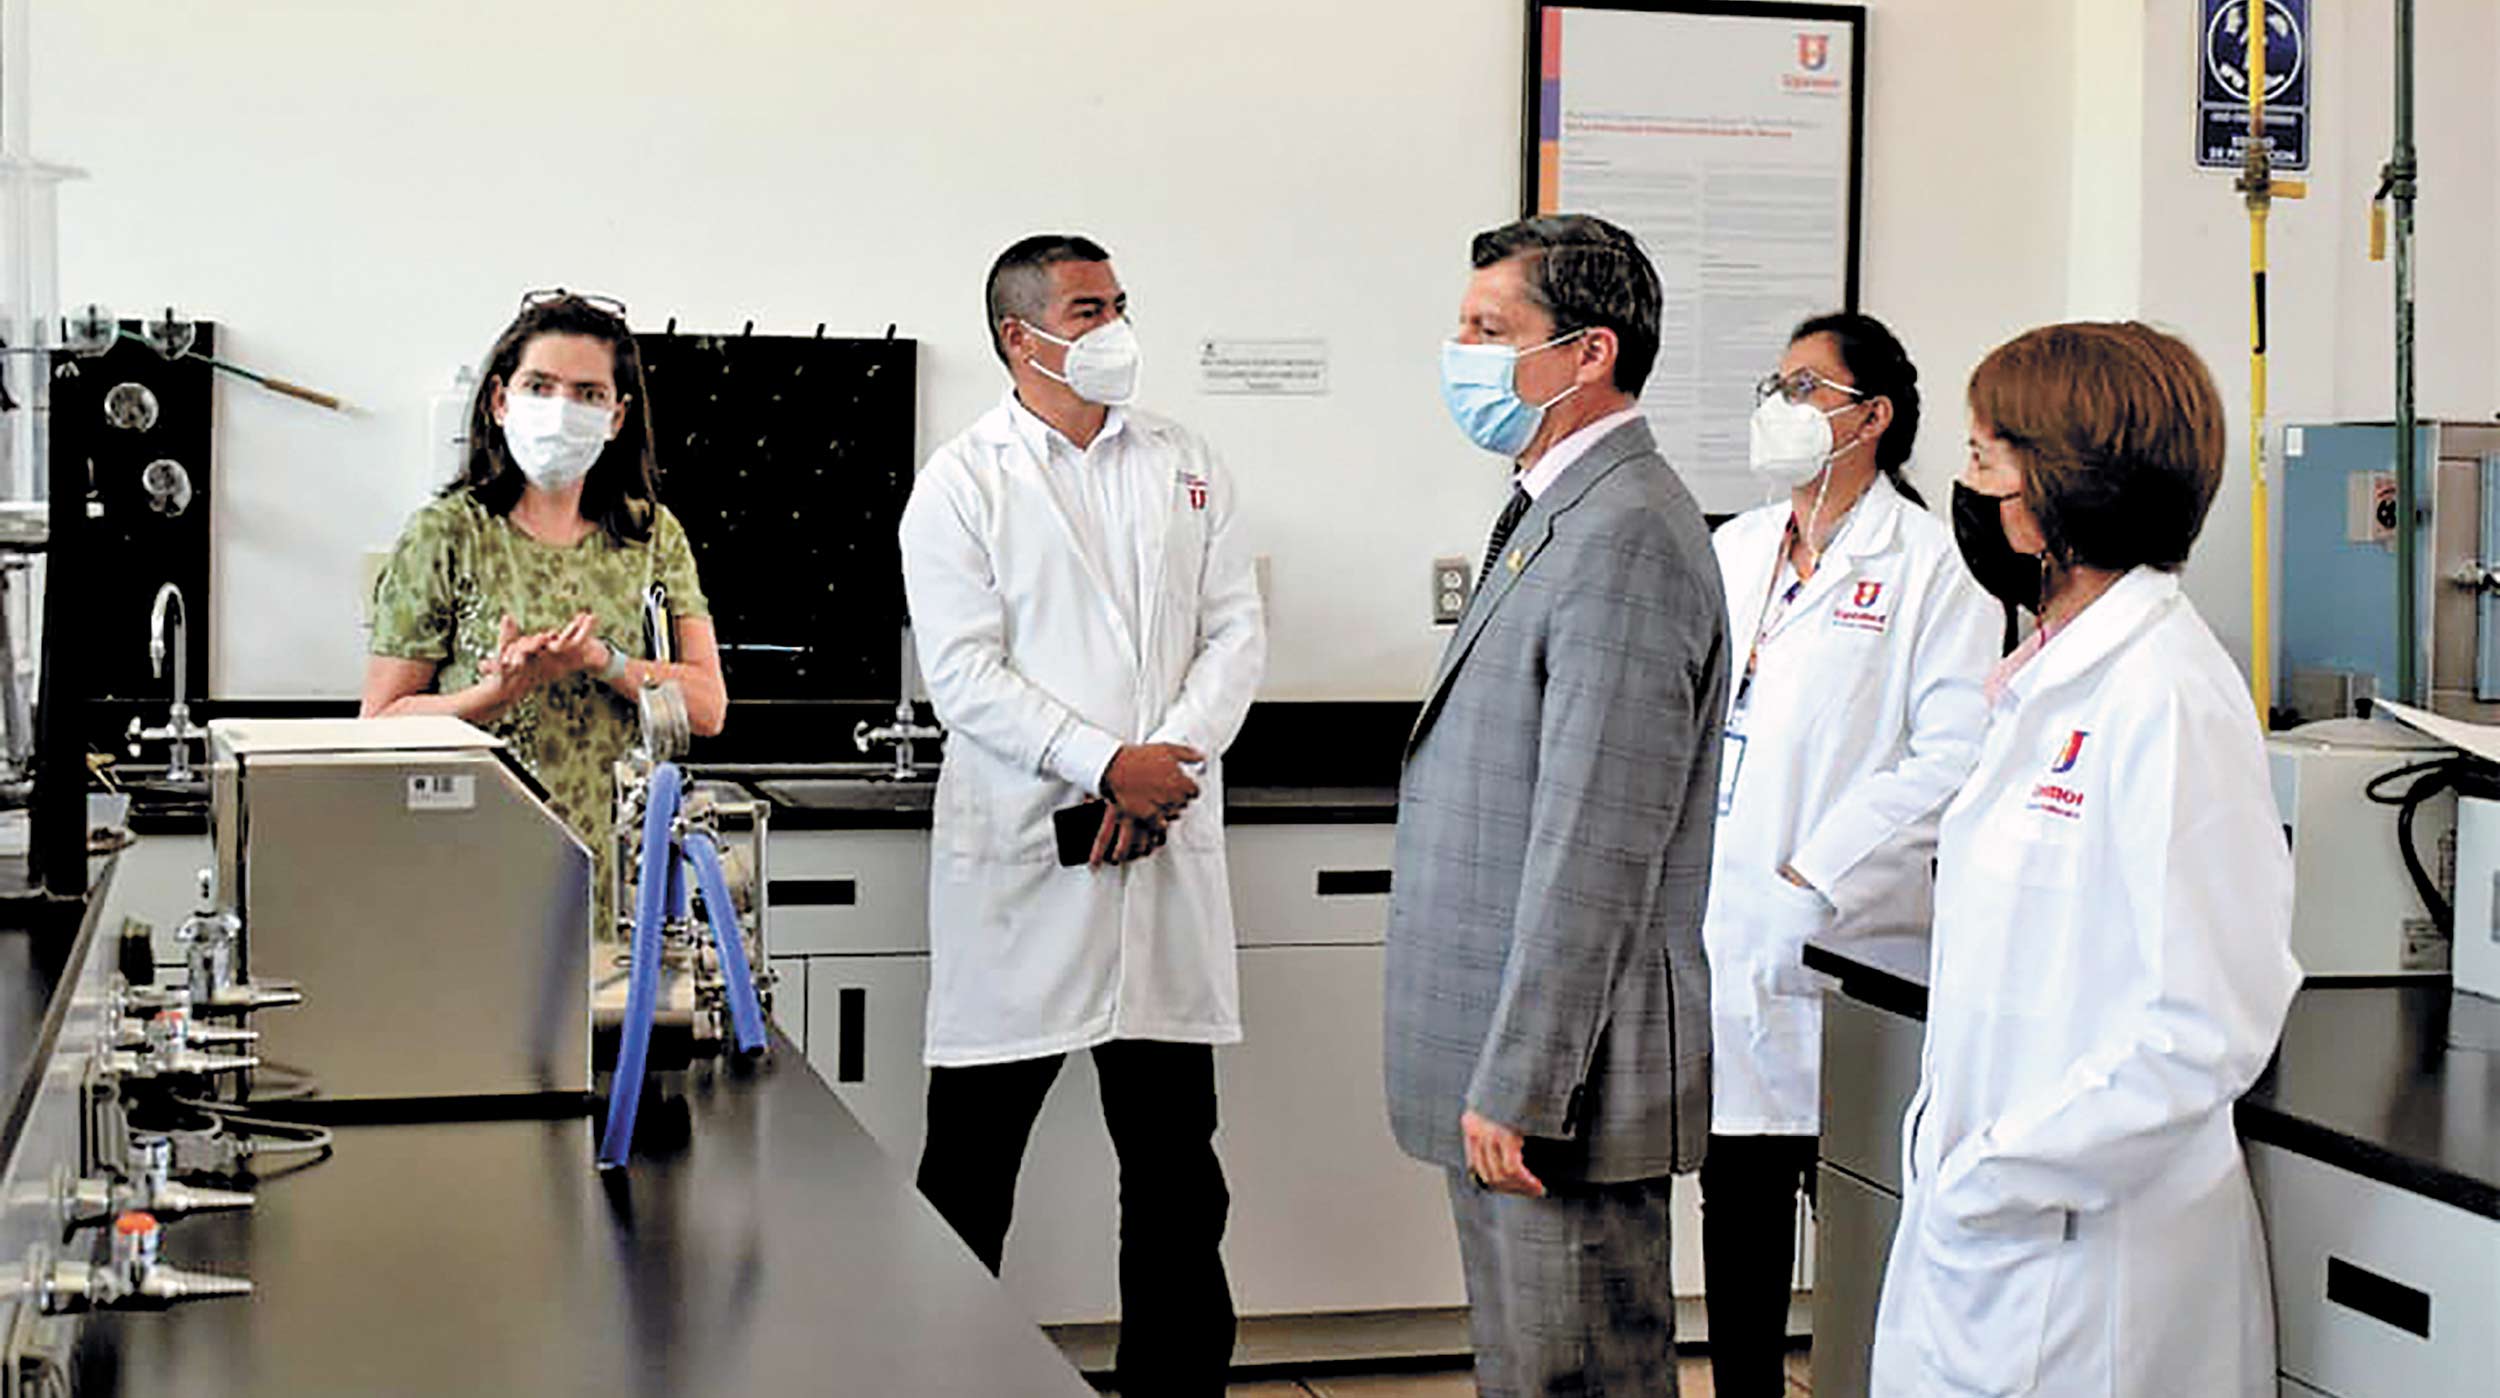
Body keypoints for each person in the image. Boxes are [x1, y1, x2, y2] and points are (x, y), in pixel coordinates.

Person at [1868, 322, 2301, 1397]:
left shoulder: (2166, 695)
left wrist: (1993, 1175)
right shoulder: (2051, 677)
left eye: (1983, 457)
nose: (1968, 488)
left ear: (2055, 487)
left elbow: (2202, 1030)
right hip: (1996, 1242)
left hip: (2085, 1264)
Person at [898, 234, 1265, 1397]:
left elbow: (1233, 632)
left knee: (1177, 1172)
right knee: (970, 1167)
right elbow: (964, 676)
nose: (1114, 327)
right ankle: (943, 1383)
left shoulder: (1185, 461)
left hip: (1161, 848)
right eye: (1087, 309)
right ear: (1021, 337)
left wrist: (1166, 768)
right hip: (1027, 858)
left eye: (1117, 304)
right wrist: (1106, 765)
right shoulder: (962, 483)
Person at [1382, 213, 1725, 1396]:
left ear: (1588, 352)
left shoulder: (1625, 532)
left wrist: (1524, 1080)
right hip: (1517, 1060)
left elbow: (1597, 843)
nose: (1462, 353)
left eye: (1490, 330)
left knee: (1571, 1377)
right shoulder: (1558, 507)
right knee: (1528, 1372)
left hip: (1563, 1083)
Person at [1699, 312, 1997, 1396]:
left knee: (1857, 1204)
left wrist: (1814, 871)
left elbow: (1955, 752)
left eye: (1803, 388)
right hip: (1723, 925)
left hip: (1850, 936)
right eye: (1773, 385)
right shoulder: (1734, 549)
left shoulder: (1933, 564)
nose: (1776, 407)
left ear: (1871, 418)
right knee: (1736, 1202)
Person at [364, 290, 727, 929]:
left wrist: (605, 661)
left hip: (616, 883)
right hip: (468, 871)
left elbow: (707, 708)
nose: (562, 410)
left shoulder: (652, 535)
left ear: (617, 416)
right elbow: (379, 724)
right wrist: (495, 695)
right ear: (500, 400)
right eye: (540, 386)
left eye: (588, 393)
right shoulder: (445, 536)